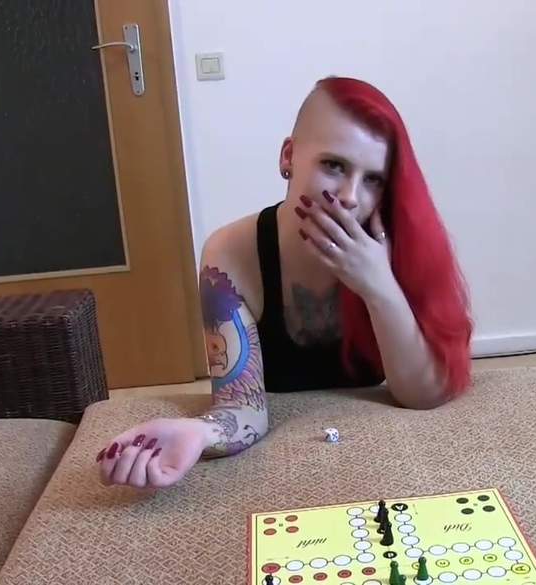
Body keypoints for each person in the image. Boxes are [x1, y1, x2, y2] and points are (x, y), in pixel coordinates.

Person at [95, 76, 473, 489]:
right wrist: (199, 433)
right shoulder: (231, 253)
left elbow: (422, 395)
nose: (350, 197)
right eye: (334, 165)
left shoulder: (395, 245)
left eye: (373, 179)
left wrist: (378, 285)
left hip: (385, 459)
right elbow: (242, 407)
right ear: (288, 157)